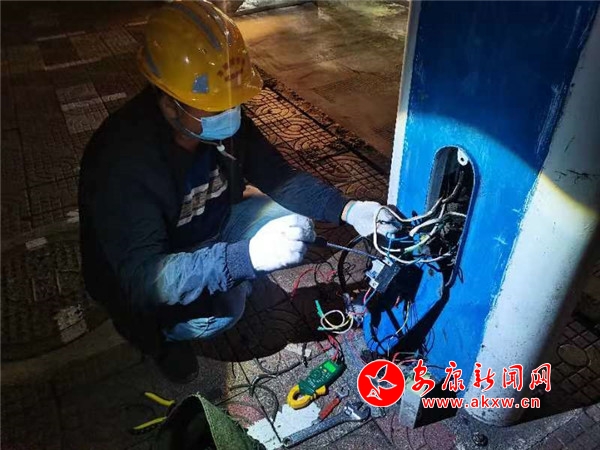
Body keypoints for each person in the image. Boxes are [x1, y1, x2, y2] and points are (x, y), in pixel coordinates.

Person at [78, 0, 397, 383]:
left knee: (294, 223)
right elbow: (147, 279)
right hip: (148, 271)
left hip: (204, 227)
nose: (230, 114)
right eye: (215, 107)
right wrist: (245, 258)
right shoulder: (123, 163)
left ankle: (225, 267)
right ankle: (159, 333)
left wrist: (349, 210)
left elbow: (279, 177)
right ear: (169, 104)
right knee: (225, 311)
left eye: (233, 101)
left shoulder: (216, 117)